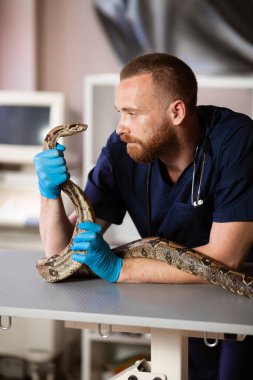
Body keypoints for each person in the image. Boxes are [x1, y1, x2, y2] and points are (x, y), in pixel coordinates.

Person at [34, 53, 253, 379]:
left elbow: (228, 257)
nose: (121, 127)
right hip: (176, 300)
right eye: (120, 113)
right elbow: (59, 255)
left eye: (133, 114)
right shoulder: (122, 151)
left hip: (241, 304)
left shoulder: (235, 140)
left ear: (176, 111)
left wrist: (119, 269)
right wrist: (49, 194)